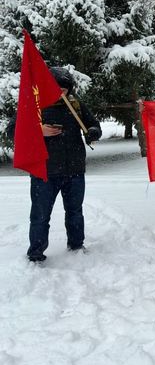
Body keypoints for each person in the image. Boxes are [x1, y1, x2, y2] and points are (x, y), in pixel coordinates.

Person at [7, 67, 102, 262]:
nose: (62, 92)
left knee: (75, 212)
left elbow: (94, 125)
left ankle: (76, 245)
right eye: (57, 88)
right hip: (44, 172)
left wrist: (93, 132)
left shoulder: (75, 104)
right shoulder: (34, 105)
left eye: (65, 88)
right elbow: (12, 131)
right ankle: (36, 253)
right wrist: (38, 130)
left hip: (75, 170)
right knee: (40, 215)